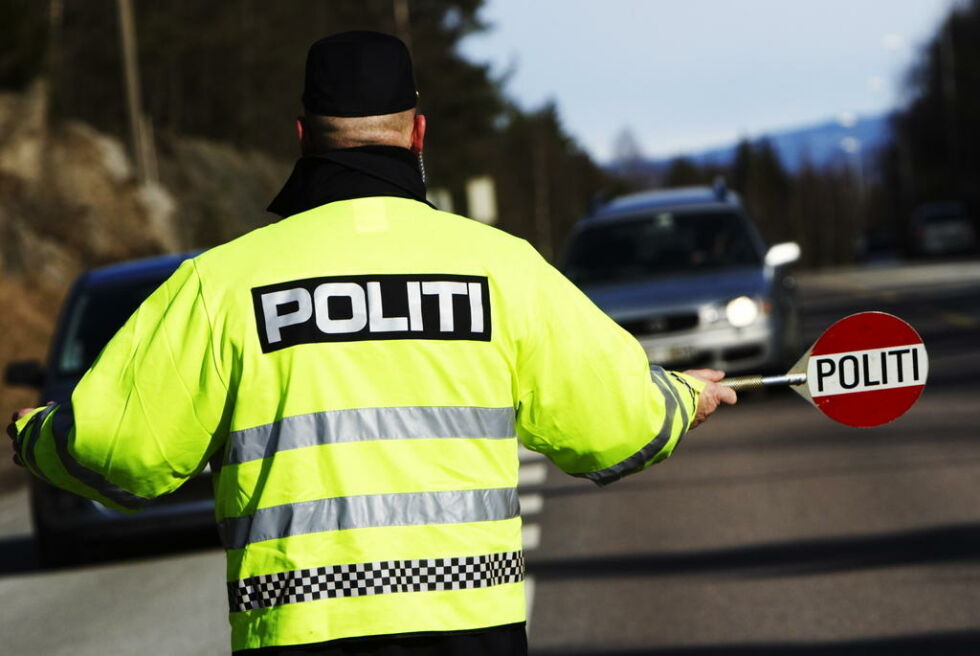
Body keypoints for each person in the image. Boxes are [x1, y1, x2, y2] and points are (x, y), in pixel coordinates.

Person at [6, 31, 736, 655]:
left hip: (301, 632)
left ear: (302, 136)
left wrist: (37, 438)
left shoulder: (221, 284)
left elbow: (121, 448)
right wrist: (679, 398)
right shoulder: (501, 267)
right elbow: (611, 423)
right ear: (418, 133)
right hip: (469, 628)